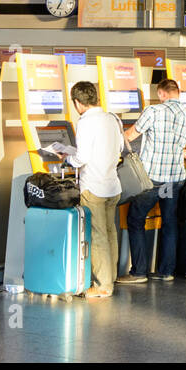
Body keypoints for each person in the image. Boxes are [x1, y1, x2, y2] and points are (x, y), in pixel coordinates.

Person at [118, 78, 186, 283]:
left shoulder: (153, 111)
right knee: (169, 222)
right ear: (177, 93)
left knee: (135, 219)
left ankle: (139, 272)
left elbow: (130, 135)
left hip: (152, 180)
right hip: (173, 182)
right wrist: (174, 151)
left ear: (162, 93)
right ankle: (166, 272)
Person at [69, 81, 123, 299]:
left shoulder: (85, 122)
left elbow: (82, 157)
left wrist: (68, 158)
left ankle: (102, 286)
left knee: (98, 236)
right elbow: (119, 147)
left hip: (94, 186)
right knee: (110, 232)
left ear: (77, 103)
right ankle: (111, 278)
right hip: (113, 185)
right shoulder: (112, 118)